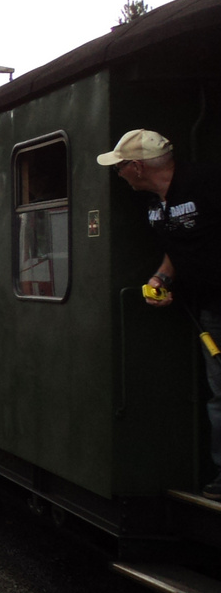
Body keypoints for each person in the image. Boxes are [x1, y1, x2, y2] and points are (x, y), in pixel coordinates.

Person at [98, 129, 221, 499]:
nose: (117, 174)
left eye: (120, 167)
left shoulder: (207, 183)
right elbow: (179, 247)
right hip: (209, 307)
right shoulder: (154, 202)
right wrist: (162, 277)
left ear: (136, 167)